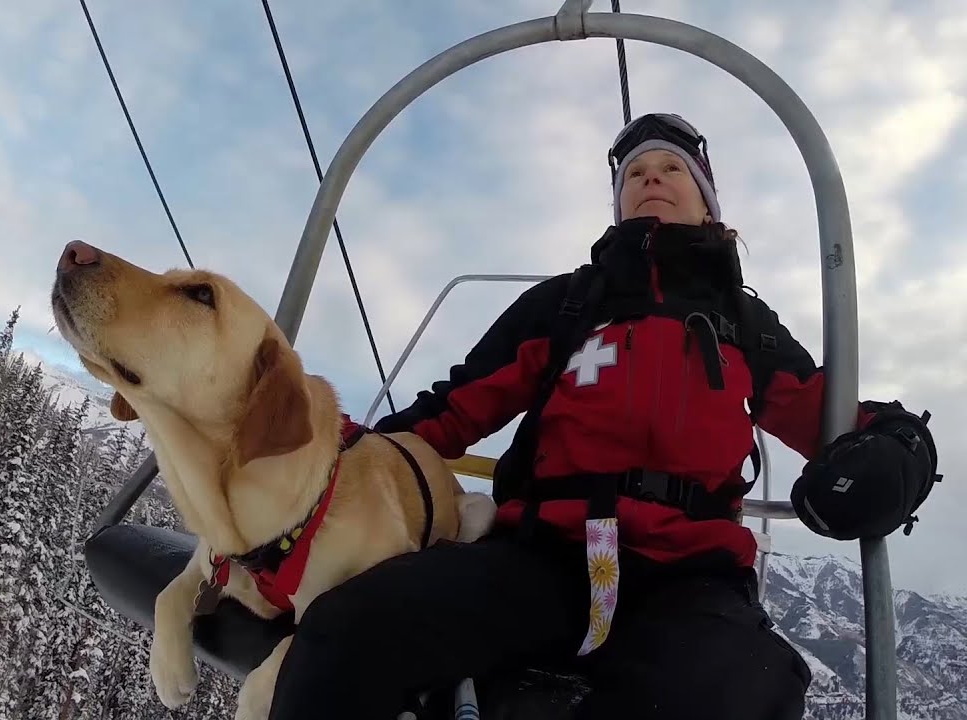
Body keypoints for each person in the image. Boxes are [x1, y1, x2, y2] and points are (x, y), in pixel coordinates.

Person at [265, 113, 941, 720]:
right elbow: (454, 408)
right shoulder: (567, 306)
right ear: (618, 203)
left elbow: (830, 417)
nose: (652, 178)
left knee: (736, 692)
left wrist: (900, 446)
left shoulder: (745, 324)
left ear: (706, 199)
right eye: (636, 174)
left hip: (689, 573)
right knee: (350, 630)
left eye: (672, 168)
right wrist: (336, 457)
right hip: (545, 554)